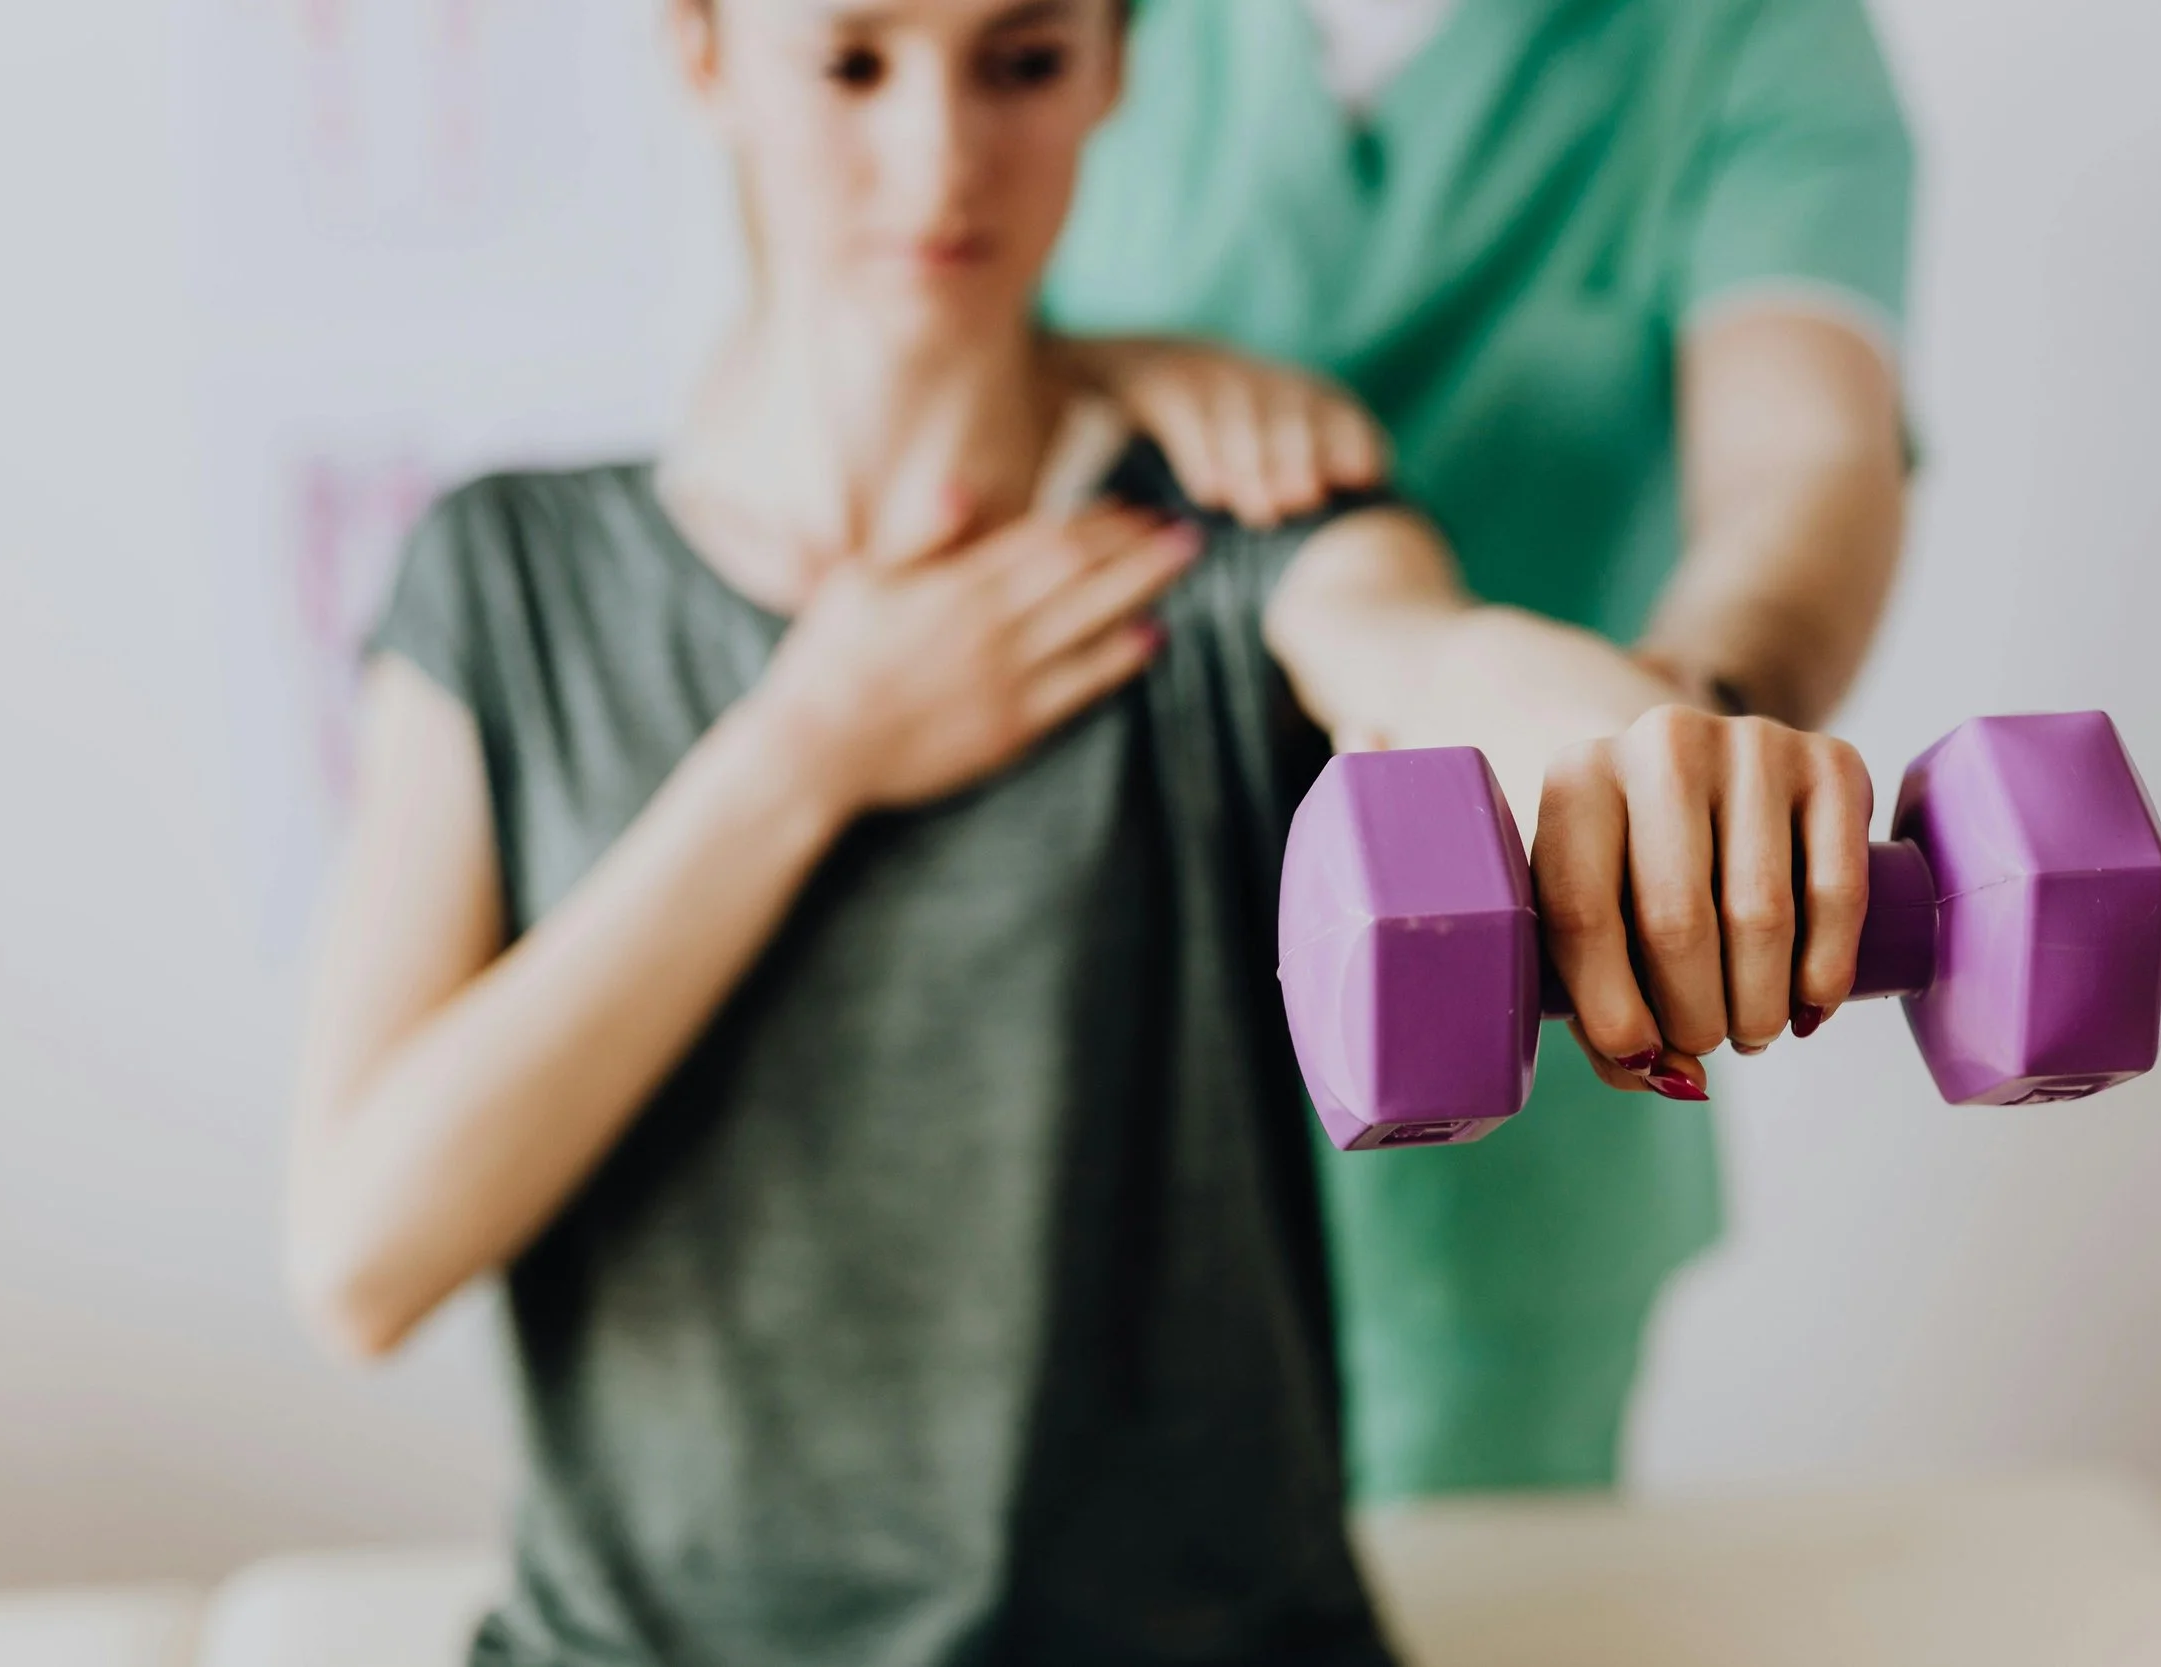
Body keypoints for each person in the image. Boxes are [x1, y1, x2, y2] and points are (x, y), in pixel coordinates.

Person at [286, 1, 1877, 1661]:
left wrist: (1638, 739)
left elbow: (1430, 654)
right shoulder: (510, 572)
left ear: (1120, 63)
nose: (940, 159)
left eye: (1022, 63)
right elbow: (358, 1258)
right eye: (851, 64)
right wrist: (804, 758)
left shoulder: (1243, 533)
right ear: (700, 53)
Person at [1043, 0, 1916, 1500]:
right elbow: (853, 333)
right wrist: (1093, 373)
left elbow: (1810, 456)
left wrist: (1674, 746)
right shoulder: (1071, 33)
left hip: (1515, 1100)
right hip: (1063, 1051)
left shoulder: (1747, 38)